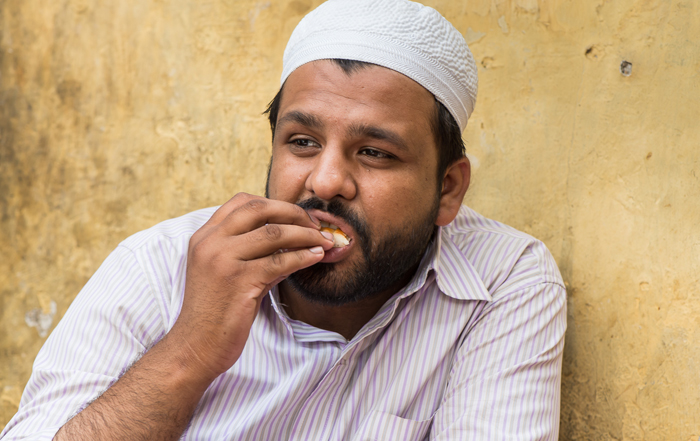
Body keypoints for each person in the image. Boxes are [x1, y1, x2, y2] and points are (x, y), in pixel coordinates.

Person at [1, 0, 567, 440]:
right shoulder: (158, 265)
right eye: (302, 142)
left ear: (447, 189)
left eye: (374, 152)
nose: (325, 181)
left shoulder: (501, 282)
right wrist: (191, 350)